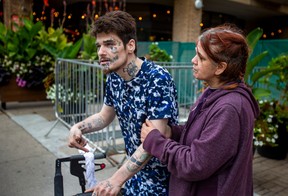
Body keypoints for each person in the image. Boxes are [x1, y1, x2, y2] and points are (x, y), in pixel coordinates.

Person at [141, 24, 260, 196]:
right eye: (196, 53)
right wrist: (171, 132)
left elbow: (195, 164)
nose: (193, 60)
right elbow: (203, 133)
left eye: (201, 58)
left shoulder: (229, 108)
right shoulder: (214, 91)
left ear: (220, 67)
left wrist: (155, 141)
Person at [68, 10, 178, 195]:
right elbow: (105, 115)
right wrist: (78, 127)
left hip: (161, 181)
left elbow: (153, 140)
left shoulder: (157, 78)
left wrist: (115, 180)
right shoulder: (114, 77)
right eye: (98, 46)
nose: (101, 52)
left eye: (109, 44)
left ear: (130, 45)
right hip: (133, 176)